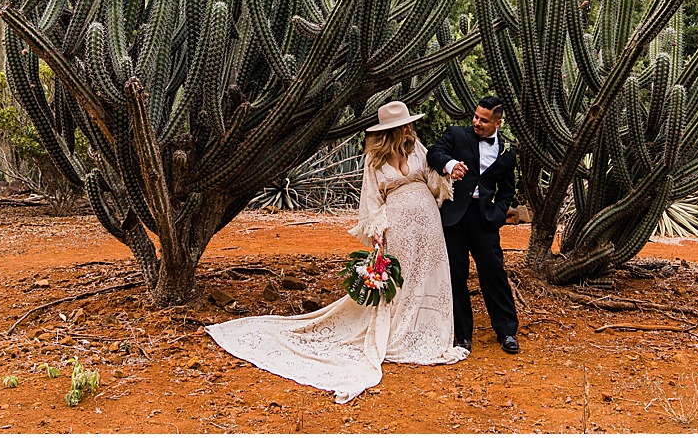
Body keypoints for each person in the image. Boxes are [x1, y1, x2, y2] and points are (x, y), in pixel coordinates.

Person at [205, 101, 466, 403]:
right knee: (404, 284)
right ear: (393, 130)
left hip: (429, 227)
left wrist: (447, 175)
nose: (410, 128)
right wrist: (378, 240)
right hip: (399, 229)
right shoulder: (374, 160)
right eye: (405, 125)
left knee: (430, 277)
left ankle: (432, 331)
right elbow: (371, 201)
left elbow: (432, 182)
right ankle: (400, 333)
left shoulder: (416, 147)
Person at [428, 95, 521, 354]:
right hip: (455, 217)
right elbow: (434, 152)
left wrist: (498, 213)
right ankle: (462, 336)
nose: (477, 122)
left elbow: (507, 190)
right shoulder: (457, 135)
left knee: (493, 273)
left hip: (484, 219)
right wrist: (450, 165)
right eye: (476, 117)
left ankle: (506, 331)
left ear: (497, 123)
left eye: (484, 120)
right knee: (456, 275)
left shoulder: (507, 151)